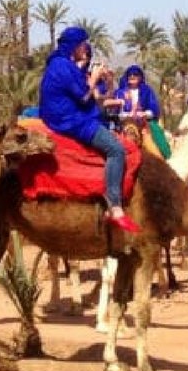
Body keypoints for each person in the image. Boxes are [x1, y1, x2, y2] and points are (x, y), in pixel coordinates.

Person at [39, 26, 139, 234]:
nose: (85, 48)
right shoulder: (62, 66)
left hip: (74, 116)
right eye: (82, 44)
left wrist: (106, 81)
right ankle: (114, 205)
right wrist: (93, 77)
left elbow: (95, 99)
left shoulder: (62, 65)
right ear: (74, 46)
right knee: (116, 150)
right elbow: (84, 96)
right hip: (70, 120)